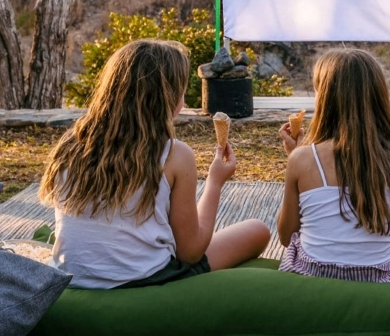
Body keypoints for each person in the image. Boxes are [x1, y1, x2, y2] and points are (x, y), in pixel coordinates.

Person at [39, 39, 270, 289]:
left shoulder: (70, 144)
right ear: (168, 98)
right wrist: (215, 182)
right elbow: (190, 252)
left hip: (70, 276)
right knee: (257, 231)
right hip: (145, 278)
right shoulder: (175, 154)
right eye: (181, 90)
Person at [275, 48, 390, 282]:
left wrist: (295, 155)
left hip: (311, 275)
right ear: (379, 97)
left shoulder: (301, 159)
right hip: (379, 280)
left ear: (325, 99)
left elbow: (286, 236)